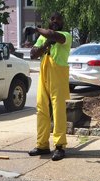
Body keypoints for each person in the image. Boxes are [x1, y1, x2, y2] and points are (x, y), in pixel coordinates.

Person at [28, 12, 72, 161]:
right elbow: (33, 54)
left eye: (58, 20)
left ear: (62, 22)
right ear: (49, 20)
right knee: (41, 108)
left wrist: (36, 30)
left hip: (58, 75)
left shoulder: (65, 35)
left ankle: (60, 146)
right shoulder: (43, 37)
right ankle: (42, 145)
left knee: (58, 110)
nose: (54, 21)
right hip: (44, 75)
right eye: (52, 19)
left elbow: (54, 35)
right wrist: (46, 43)